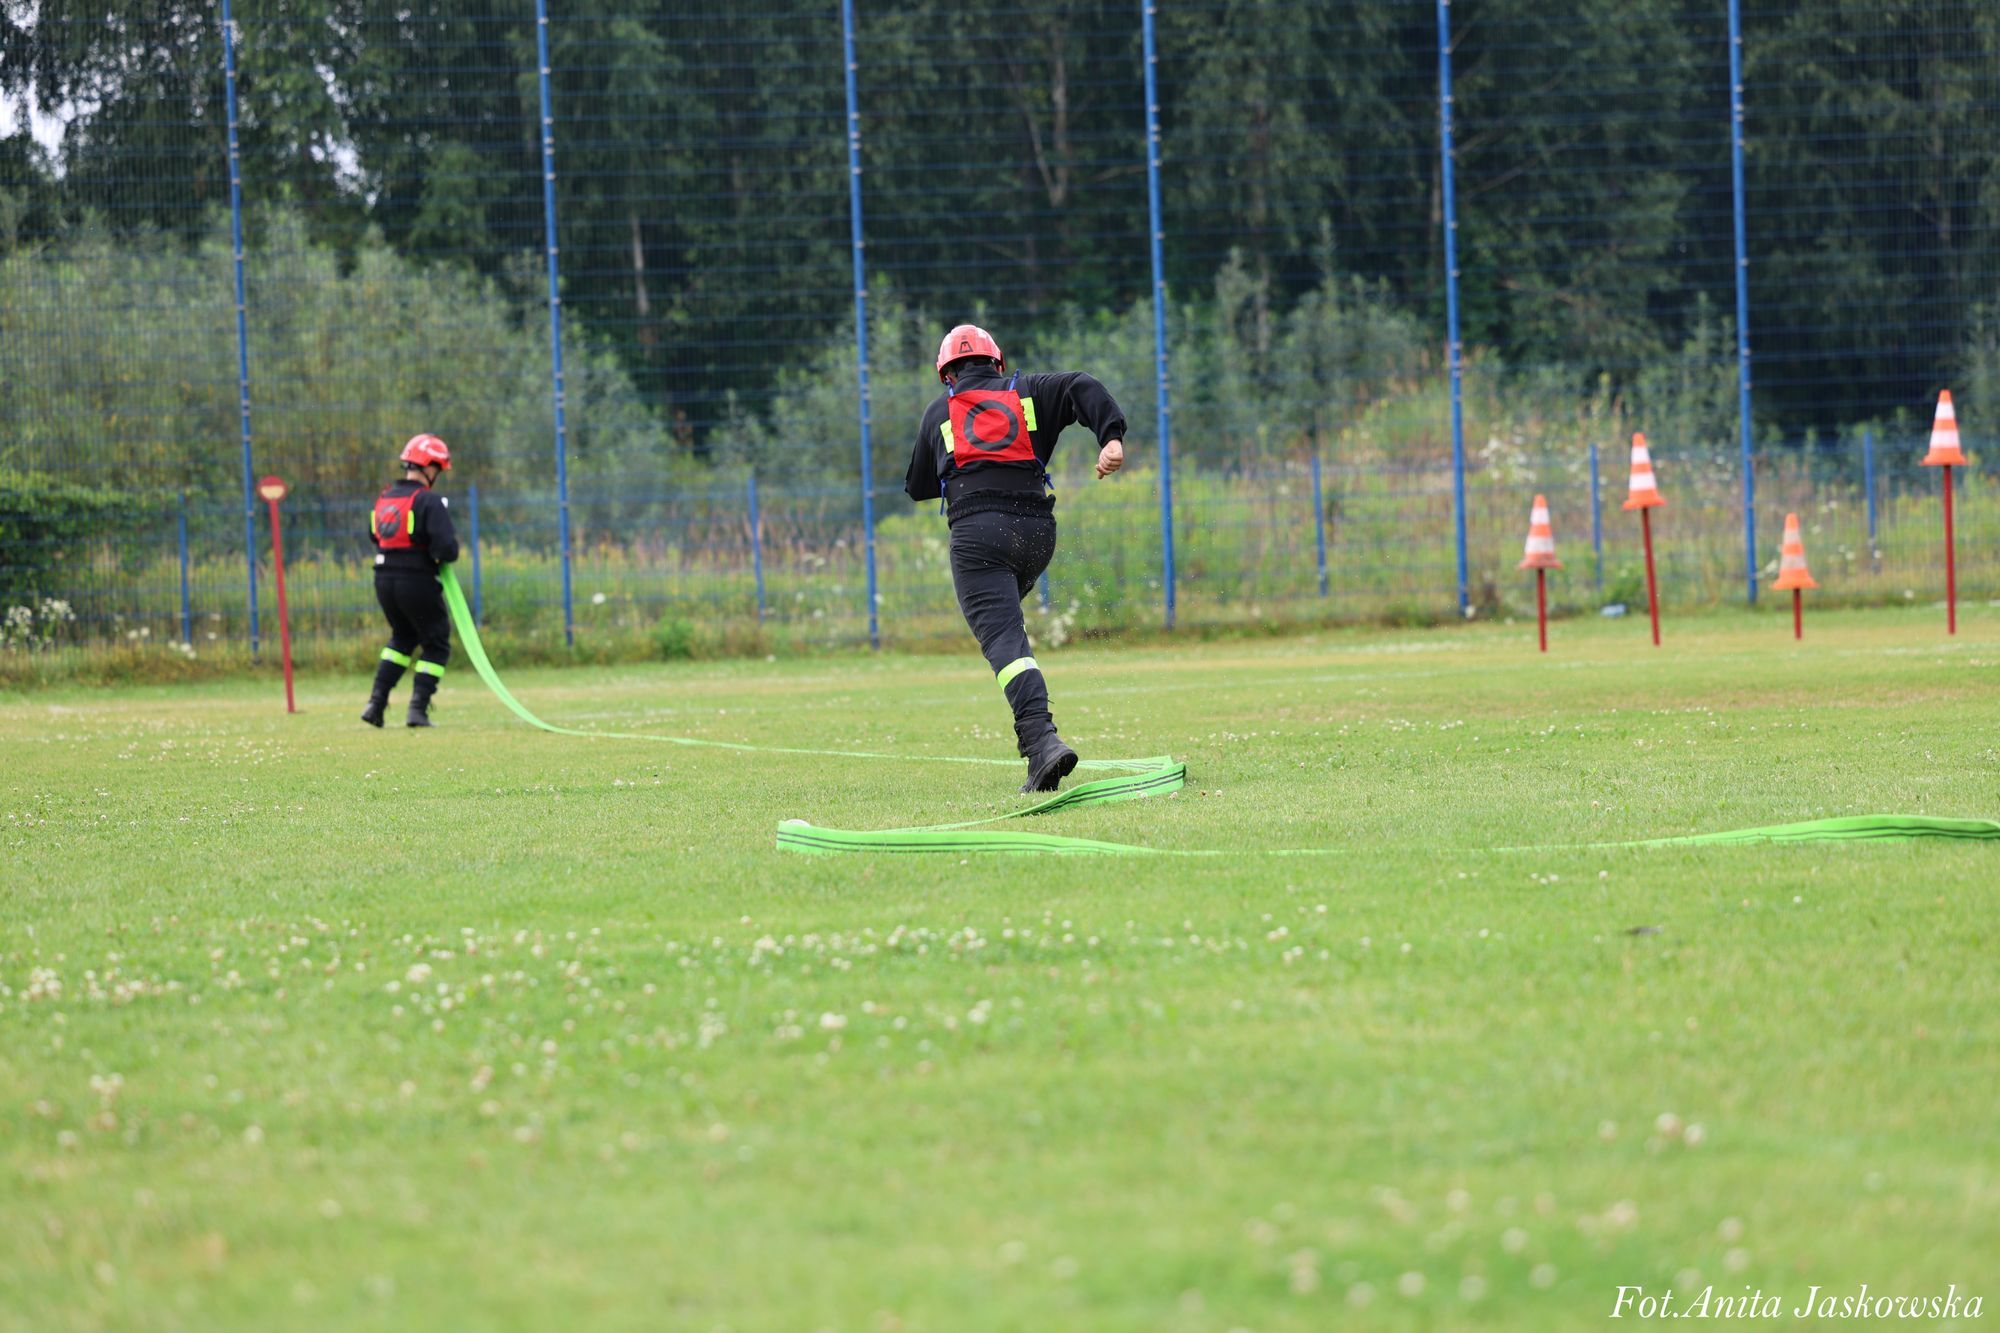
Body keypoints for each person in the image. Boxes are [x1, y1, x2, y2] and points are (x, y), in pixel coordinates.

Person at [904, 323, 1127, 792]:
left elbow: (918, 486)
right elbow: (1080, 383)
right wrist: (1110, 437)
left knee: (1005, 641)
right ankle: (1038, 734)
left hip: (979, 537)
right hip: (1037, 536)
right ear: (997, 363)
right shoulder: (1029, 392)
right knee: (1007, 631)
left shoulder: (938, 412)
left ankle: (1041, 741)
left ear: (947, 375)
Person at [362, 434, 460, 728]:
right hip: (416, 581)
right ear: (429, 467)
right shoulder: (428, 501)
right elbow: (447, 549)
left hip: (383, 580)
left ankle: (376, 703)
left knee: (403, 637)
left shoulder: (385, 498)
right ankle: (418, 709)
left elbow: (375, 536)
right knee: (437, 642)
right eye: (437, 469)